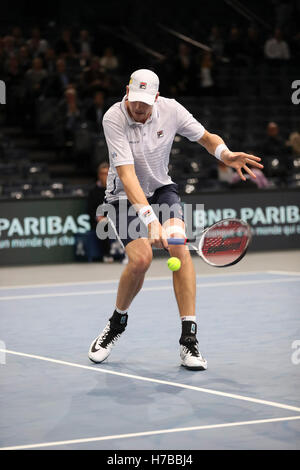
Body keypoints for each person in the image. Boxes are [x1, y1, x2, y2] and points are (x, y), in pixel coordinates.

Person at [88, 69, 263, 370]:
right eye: (134, 100)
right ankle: (116, 324)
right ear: (126, 93)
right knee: (141, 259)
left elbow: (207, 138)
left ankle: (189, 341)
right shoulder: (114, 117)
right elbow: (128, 177)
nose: (139, 108)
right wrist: (149, 220)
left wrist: (225, 154)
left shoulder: (172, 110)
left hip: (162, 188)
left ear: (156, 98)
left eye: (146, 102)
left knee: (180, 251)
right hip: (122, 197)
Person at [87, 162, 114, 263]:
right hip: (100, 220)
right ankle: (107, 254)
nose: (105, 176)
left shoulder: (115, 189)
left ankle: (127, 255)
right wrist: (98, 217)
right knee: (102, 226)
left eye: (107, 173)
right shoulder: (93, 191)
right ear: (99, 175)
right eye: (103, 174)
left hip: (114, 218)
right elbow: (90, 209)